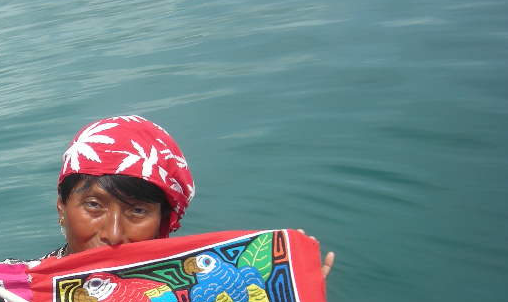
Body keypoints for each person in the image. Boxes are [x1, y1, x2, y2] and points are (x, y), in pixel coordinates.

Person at [37, 114, 335, 274]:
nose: (113, 234)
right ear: (62, 207)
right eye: (94, 205)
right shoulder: (19, 299)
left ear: (164, 221)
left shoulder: (209, 294)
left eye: (137, 211)